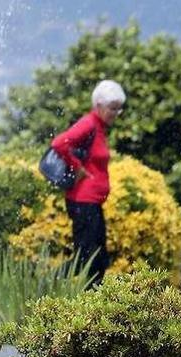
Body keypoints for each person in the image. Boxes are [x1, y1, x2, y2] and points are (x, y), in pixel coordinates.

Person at [51, 79, 126, 286]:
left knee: (99, 258)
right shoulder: (89, 123)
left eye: (118, 110)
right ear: (99, 105)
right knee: (85, 257)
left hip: (93, 203)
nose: (115, 114)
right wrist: (77, 167)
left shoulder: (100, 127)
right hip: (83, 201)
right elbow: (59, 143)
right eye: (112, 108)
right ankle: (45, 285)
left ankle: (94, 303)